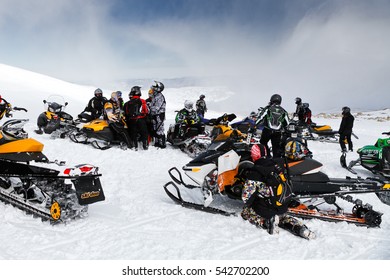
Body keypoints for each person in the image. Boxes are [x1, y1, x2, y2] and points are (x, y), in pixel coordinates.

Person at [241, 144, 315, 238]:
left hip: (265, 208)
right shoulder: (277, 165)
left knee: (246, 212)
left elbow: (245, 198)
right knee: (283, 218)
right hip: (282, 204)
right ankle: (299, 228)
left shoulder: (254, 172)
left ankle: (266, 222)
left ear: (254, 155)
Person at [123, 86, 149, 150]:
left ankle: (135, 146)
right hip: (141, 119)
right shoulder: (142, 101)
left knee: (133, 133)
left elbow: (125, 112)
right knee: (144, 132)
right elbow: (146, 111)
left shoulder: (127, 103)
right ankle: (145, 145)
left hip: (131, 120)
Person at [149, 81, 166, 148]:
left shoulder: (160, 97)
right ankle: (157, 142)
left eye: (156, 86)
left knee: (160, 129)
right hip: (155, 115)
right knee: (155, 129)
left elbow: (156, 108)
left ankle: (162, 144)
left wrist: (149, 106)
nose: (154, 87)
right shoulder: (155, 96)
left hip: (159, 115)